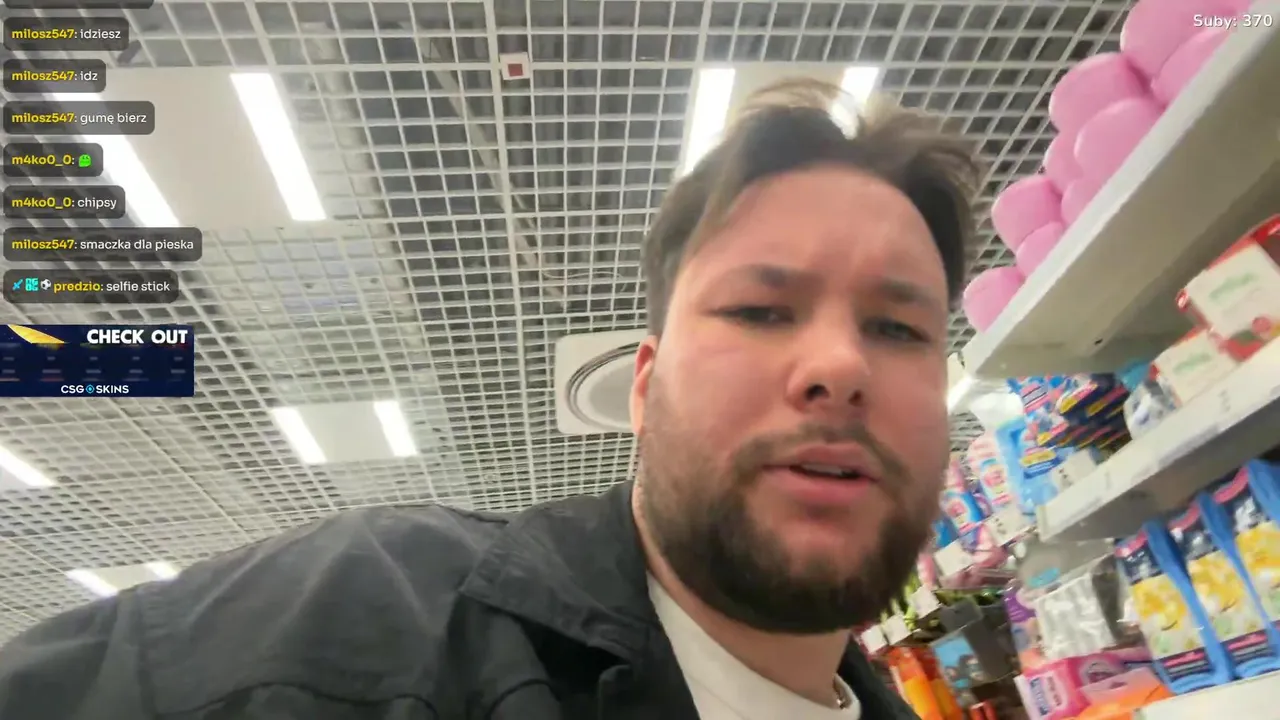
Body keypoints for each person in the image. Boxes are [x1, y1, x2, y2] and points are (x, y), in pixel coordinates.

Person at [0, 79, 979, 720]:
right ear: (644, 391)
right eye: (761, 310)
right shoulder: (351, 624)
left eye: (899, 329)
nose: (838, 365)